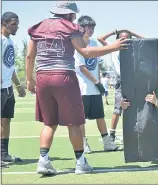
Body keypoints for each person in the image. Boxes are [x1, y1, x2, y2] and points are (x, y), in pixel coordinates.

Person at [25, 1, 127, 175]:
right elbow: (85, 52)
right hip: (63, 75)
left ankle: (43, 160)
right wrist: (113, 47)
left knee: (49, 122)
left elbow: (29, 56)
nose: (75, 17)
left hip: (42, 76)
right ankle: (81, 162)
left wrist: (29, 80)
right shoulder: (70, 27)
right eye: (74, 14)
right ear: (68, 14)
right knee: (74, 122)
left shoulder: (38, 27)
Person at [74, 15, 119, 154]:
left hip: (95, 86)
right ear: (81, 28)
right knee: (81, 119)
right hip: (82, 88)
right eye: (88, 27)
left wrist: (99, 82)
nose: (91, 29)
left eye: (93, 27)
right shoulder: (77, 43)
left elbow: (98, 65)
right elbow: (81, 67)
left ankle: (107, 143)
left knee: (100, 116)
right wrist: (95, 81)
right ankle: (84, 144)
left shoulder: (93, 42)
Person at [98, 29, 144, 142]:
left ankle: (132, 133)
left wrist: (132, 33)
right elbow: (100, 38)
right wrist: (114, 32)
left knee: (133, 107)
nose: (124, 40)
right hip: (120, 81)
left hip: (133, 80)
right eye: (121, 38)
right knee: (118, 109)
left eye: (127, 38)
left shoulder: (133, 49)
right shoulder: (113, 48)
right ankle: (112, 134)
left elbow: (146, 41)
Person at [120, 67, 158, 147]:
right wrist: (123, 103)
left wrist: (156, 102)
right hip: (152, 105)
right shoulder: (146, 85)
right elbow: (131, 97)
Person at [1, 12, 26, 167]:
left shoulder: (8, 40)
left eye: (17, 23)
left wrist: (17, 85)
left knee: (5, 120)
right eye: (14, 23)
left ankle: (3, 154)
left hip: (7, 87)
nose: (17, 26)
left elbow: (10, 66)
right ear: (4, 23)